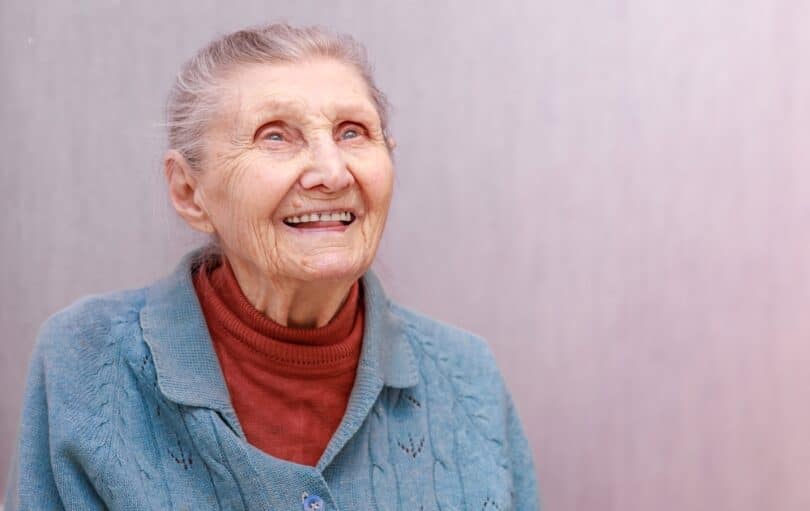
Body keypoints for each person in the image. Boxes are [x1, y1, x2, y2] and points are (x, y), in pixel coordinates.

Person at [4, 23, 540, 510]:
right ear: (189, 192)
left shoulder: (467, 375)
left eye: (353, 131)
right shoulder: (86, 362)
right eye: (276, 136)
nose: (331, 172)